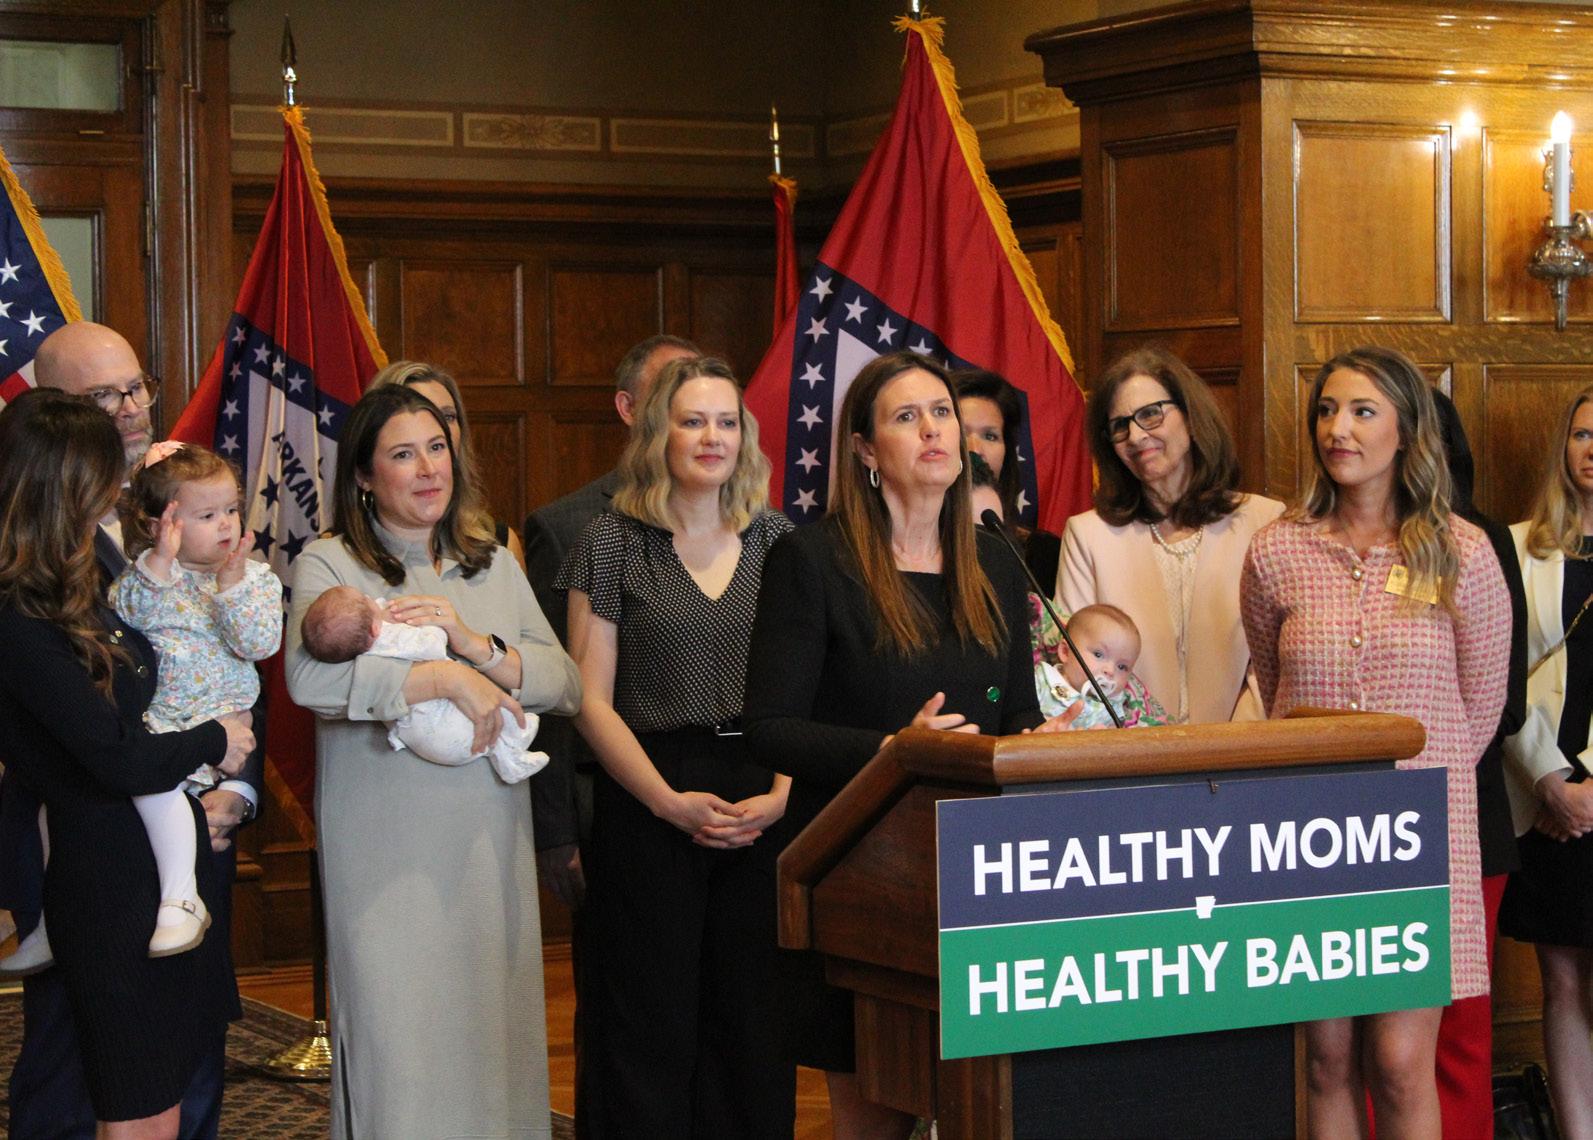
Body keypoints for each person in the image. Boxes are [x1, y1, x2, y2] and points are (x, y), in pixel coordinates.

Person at [744, 351, 1078, 1139]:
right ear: (865, 449)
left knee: (985, 1110)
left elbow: (1013, 714)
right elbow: (769, 728)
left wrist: (1041, 742)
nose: (933, 430)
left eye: (941, 413)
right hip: (862, 876)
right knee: (879, 1119)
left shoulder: (994, 557)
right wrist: (894, 752)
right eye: (906, 417)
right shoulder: (812, 560)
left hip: (981, 879)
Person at [284, 382, 581, 1137]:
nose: (427, 469)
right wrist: (443, 680)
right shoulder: (329, 563)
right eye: (402, 455)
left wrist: (472, 646)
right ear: (363, 475)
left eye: (437, 448)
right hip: (384, 858)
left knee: (490, 1039)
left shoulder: (493, 564)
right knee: (399, 1048)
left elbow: (565, 682)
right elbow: (309, 682)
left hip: (486, 846)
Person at [0, 321, 264, 1140]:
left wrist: (231, 788)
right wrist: (209, 744)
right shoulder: (28, 598)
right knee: (86, 1080)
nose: (126, 410)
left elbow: (220, 673)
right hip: (94, 865)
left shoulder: (178, 521)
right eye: (99, 397)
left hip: (182, 840)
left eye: (133, 389)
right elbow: (100, 747)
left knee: (178, 1078)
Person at [1241, 346, 1509, 1136]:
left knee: (1397, 1061)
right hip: (1307, 835)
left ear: (1406, 432)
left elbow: (1478, 708)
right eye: (1326, 410)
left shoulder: (1461, 550)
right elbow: (1273, 682)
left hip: (1419, 838)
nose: (1338, 429)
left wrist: (1419, 772)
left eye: (1362, 411)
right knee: (1324, 1060)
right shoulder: (1276, 550)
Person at [555, 354, 795, 1136]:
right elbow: (588, 700)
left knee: (752, 1022)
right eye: (693, 421)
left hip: (762, 791)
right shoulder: (609, 541)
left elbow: (806, 689)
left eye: (726, 422)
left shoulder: (779, 540)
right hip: (648, 794)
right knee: (646, 1023)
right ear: (659, 432)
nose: (712, 437)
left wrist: (781, 795)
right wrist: (665, 802)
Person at [521, 332, 698, 1127]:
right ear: (629, 409)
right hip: (608, 811)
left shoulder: (752, 526)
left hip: (717, 805)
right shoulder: (568, 527)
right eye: (671, 395)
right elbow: (552, 697)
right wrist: (555, 830)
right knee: (621, 1024)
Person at [1059, 346, 1283, 724]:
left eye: (1150, 414)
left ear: (1191, 418)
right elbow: (1075, 667)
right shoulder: (1087, 535)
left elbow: (1273, 662)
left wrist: (1232, 745)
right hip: (1125, 749)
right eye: (1119, 426)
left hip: (1244, 748)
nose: (1135, 436)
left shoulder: (1264, 522)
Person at [1426, 390, 1528, 1139]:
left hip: (1469, 820)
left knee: (1457, 1031)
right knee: (1365, 1042)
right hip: (1357, 835)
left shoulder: (1478, 540)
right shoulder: (1320, 544)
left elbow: (1503, 699)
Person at [1499, 384, 1593, 1137]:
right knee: (1561, 980)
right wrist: (1550, 780)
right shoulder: (1516, 548)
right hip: (1545, 797)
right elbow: (1493, 677)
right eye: (1584, 434)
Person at [300, 584, 548, 783]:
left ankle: (509, 759)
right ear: (375, 629)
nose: (372, 598)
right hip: (440, 727)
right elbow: (432, 645)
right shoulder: (391, 637)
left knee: (482, 716)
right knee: (488, 715)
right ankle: (514, 746)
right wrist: (435, 628)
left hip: (418, 737)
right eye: (366, 599)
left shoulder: (360, 652)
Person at [369, 359, 528, 569]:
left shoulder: (499, 545)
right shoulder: (336, 558)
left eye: (448, 416)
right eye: (423, 412)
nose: (438, 427)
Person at [955, 367, 1063, 591]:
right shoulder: (902, 549)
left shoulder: (1042, 554)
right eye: (961, 434)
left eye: (990, 436)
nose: (974, 449)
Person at [1037, 603, 1141, 727]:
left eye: (1122, 667)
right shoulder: (1042, 680)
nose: (1110, 671)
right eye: (1098, 654)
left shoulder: (1113, 705)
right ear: (1065, 652)